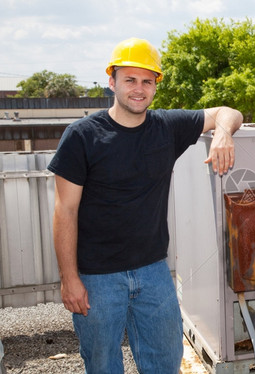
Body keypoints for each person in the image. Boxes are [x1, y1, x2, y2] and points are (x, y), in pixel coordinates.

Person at [48, 37, 242, 374]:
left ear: (155, 86)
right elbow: (65, 211)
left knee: (165, 362)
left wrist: (223, 133)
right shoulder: (82, 136)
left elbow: (228, 112)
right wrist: (69, 278)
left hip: (153, 272)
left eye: (147, 81)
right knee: (103, 364)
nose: (139, 89)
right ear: (112, 81)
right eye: (130, 80)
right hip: (97, 277)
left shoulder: (167, 127)